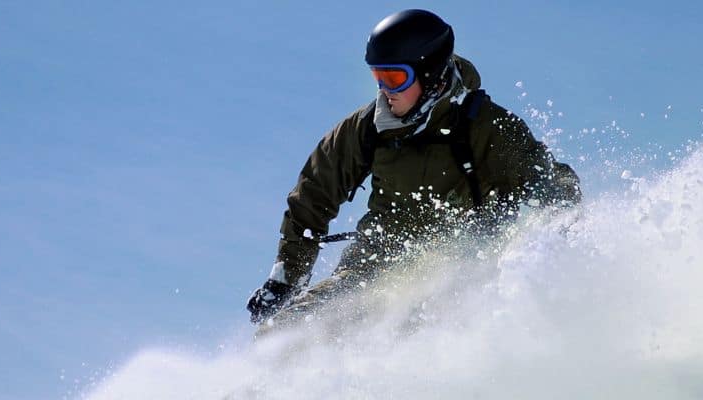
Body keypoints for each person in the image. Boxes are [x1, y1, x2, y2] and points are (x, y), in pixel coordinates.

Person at [246, 9, 581, 334]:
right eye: (378, 77)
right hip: (370, 270)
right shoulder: (369, 128)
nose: (384, 90)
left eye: (394, 78)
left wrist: (553, 238)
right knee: (286, 333)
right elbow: (313, 195)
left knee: (413, 322)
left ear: (430, 74)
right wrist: (285, 279)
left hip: (461, 272)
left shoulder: (486, 128)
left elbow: (553, 185)